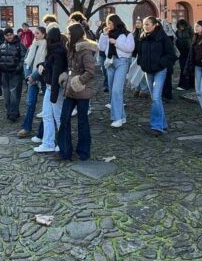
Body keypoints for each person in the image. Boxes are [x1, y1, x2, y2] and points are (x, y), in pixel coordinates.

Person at [57, 23, 98, 160]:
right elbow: (70, 68)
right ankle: (65, 151)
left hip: (82, 90)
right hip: (70, 89)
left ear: (74, 34)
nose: (67, 35)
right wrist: (65, 79)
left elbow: (90, 72)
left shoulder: (85, 50)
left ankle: (83, 152)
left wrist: (78, 82)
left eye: (69, 33)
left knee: (82, 121)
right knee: (64, 119)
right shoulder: (71, 48)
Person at [137, 16, 176, 135]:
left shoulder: (163, 37)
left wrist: (161, 63)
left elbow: (171, 54)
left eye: (147, 24)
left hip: (160, 70)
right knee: (155, 98)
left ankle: (156, 126)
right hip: (148, 71)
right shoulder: (143, 37)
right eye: (144, 24)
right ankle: (163, 123)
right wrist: (141, 62)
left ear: (155, 25)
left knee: (155, 97)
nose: (145, 26)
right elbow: (139, 52)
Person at [34, 27, 68, 153]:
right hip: (51, 88)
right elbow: (49, 68)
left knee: (58, 117)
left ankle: (63, 144)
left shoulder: (57, 53)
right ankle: (48, 143)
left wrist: (53, 95)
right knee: (47, 115)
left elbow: (55, 75)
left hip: (55, 89)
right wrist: (41, 66)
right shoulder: (54, 51)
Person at [99, 14, 134, 128]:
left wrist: (116, 43)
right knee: (112, 90)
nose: (108, 25)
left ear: (115, 22)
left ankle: (117, 118)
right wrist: (104, 35)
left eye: (110, 23)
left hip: (122, 62)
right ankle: (122, 116)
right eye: (107, 23)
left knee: (116, 90)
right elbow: (101, 48)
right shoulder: (107, 34)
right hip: (110, 63)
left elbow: (130, 48)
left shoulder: (127, 34)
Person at [19, 25, 47, 138]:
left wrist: (34, 76)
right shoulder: (32, 45)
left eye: (38, 33)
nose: (35, 35)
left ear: (43, 34)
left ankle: (45, 130)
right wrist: (28, 77)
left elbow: (44, 64)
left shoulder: (46, 46)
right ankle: (26, 127)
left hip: (42, 79)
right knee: (30, 103)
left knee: (46, 106)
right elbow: (26, 62)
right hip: (31, 79)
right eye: (35, 33)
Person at [0, 27, 27, 121]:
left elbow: (23, 59)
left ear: (13, 34)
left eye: (10, 35)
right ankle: (10, 112)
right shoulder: (2, 46)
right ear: (4, 36)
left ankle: (13, 113)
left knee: (14, 94)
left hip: (15, 74)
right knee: (6, 95)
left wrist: (18, 68)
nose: (9, 37)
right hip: (4, 74)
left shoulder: (20, 46)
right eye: (7, 35)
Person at [175, 19, 194, 90]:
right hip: (181, 51)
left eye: (182, 26)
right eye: (180, 26)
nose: (181, 27)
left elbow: (193, 39)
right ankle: (184, 84)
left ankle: (187, 85)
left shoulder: (190, 30)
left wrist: (191, 47)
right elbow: (176, 39)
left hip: (189, 51)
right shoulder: (178, 31)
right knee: (183, 67)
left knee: (188, 67)